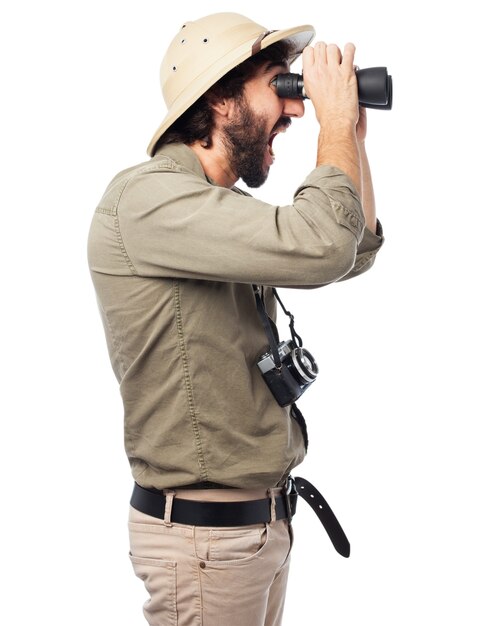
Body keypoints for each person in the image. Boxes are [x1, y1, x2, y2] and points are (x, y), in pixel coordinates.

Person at [87, 11, 384, 626]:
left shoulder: (214, 211)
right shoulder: (147, 201)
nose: (297, 111)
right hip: (206, 545)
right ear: (221, 99)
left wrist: (349, 137)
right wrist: (331, 121)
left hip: (251, 537)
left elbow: (350, 251)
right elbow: (323, 240)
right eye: (282, 86)